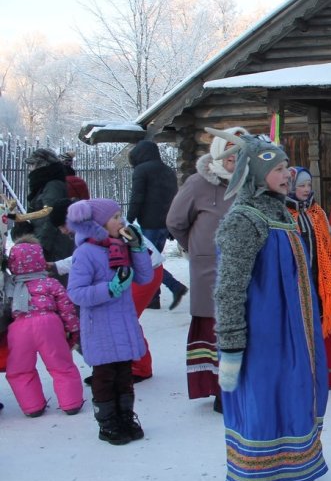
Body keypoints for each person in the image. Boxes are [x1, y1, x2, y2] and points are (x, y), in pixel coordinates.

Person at [212, 130, 328, 481]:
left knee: (292, 393)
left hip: (293, 329)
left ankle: (287, 468)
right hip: (262, 332)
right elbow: (229, 285)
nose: (286, 174)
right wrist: (230, 343)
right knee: (262, 399)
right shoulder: (245, 219)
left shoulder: (282, 212)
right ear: (256, 173)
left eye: (286, 167)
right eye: (277, 168)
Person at [166, 127, 247, 412]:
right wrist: (197, 248)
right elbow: (176, 221)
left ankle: (244, 387)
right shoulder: (198, 184)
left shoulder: (251, 182)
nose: (235, 162)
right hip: (210, 270)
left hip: (246, 270)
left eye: (240, 155)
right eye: (229, 156)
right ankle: (219, 391)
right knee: (215, 328)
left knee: (243, 324)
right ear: (217, 153)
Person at [66, 198, 153, 445]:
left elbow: (145, 277)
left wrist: (137, 248)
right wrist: (110, 289)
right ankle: (108, 422)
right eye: (115, 217)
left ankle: (125, 416)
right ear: (97, 225)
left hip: (123, 322)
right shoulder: (85, 253)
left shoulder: (121, 246)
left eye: (120, 215)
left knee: (124, 374)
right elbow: (76, 292)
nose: (121, 221)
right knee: (105, 376)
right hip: (100, 327)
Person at [3, 236, 84, 417]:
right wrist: (73, 330)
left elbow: (5, 308)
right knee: (61, 365)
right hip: (48, 324)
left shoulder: (10, 285)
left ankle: (32, 406)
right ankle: (71, 403)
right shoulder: (50, 283)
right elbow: (66, 308)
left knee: (20, 370)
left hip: (19, 328)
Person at [285, 166, 331, 389]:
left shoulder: (317, 213)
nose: (305, 189)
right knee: (300, 328)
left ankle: (328, 375)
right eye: (300, 185)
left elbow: (327, 246)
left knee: (322, 324)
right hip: (296, 281)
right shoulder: (284, 214)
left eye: (308, 185)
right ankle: (303, 377)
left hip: (318, 278)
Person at [127, 139, 187, 311]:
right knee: (154, 260)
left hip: (149, 223)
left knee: (147, 261)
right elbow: (173, 198)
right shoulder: (167, 170)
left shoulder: (141, 170)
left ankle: (175, 287)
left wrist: (128, 219)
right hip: (165, 223)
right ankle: (154, 299)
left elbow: (136, 196)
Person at [19, 148, 73, 266]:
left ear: (42, 165)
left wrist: (40, 247)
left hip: (54, 249)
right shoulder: (45, 184)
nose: (30, 169)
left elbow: (50, 218)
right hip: (49, 245)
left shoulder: (52, 186)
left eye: (32, 164)